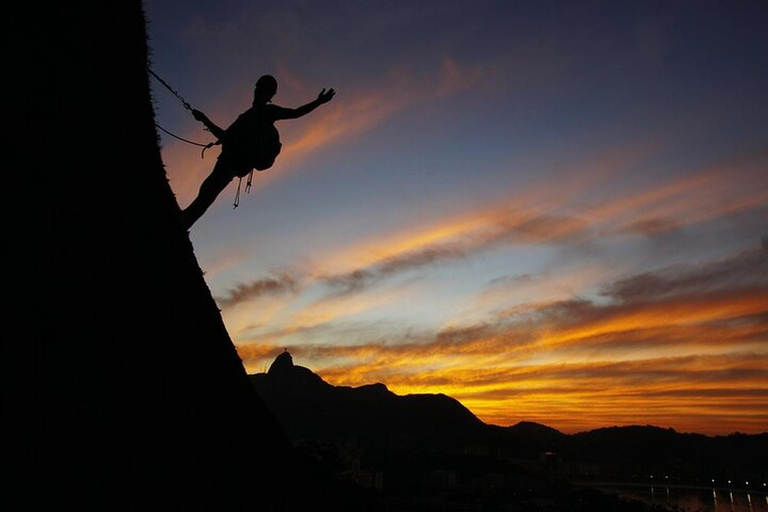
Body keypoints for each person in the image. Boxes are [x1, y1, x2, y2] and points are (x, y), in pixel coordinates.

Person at [180, 74, 335, 229]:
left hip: (232, 162)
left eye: (260, 89)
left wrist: (318, 102)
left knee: (208, 193)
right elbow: (226, 136)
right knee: (206, 191)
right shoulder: (247, 115)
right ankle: (184, 220)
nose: (256, 91)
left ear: (268, 94)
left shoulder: (267, 112)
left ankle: (183, 222)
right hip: (229, 161)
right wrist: (204, 119)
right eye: (257, 88)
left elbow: (295, 113)